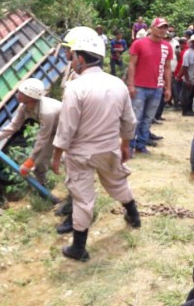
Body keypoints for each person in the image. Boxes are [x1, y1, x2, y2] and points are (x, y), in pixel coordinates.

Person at [51, 27, 140, 262]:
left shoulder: (75, 88)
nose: (71, 61)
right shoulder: (117, 84)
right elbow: (129, 120)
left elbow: (66, 128)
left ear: (80, 58)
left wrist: (57, 155)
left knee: (83, 199)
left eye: (72, 56)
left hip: (80, 154)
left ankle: (78, 248)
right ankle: (134, 215)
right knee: (116, 181)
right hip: (109, 148)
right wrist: (125, 144)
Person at [0, 78, 61, 186]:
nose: (17, 93)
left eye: (21, 92)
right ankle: (42, 188)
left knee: (67, 158)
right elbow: (14, 125)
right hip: (52, 131)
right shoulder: (24, 106)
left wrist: (29, 161)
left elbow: (42, 139)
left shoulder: (47, 112)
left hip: (67, 130)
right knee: (40, 163)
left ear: (29, 97)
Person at [127, 17, 173, 155]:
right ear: (152, 28)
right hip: (139, 87)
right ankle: (129, 146)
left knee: (147, 118)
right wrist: (131, 84)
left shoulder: (167, 47)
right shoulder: (139, 44)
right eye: (160, 27)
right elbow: (132, 64)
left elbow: (167, 68)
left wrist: (168, 87)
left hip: (157, 88)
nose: (163, 30)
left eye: (165, 27)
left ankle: (141, 144)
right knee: (135, 118)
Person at [180, 38, 194, 116]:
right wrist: (187, 80)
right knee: (186, 96)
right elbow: (185, 67)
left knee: (191, 95)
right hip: (189, 77)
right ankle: (185, 111)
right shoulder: (188, 53)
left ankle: (190, 110)